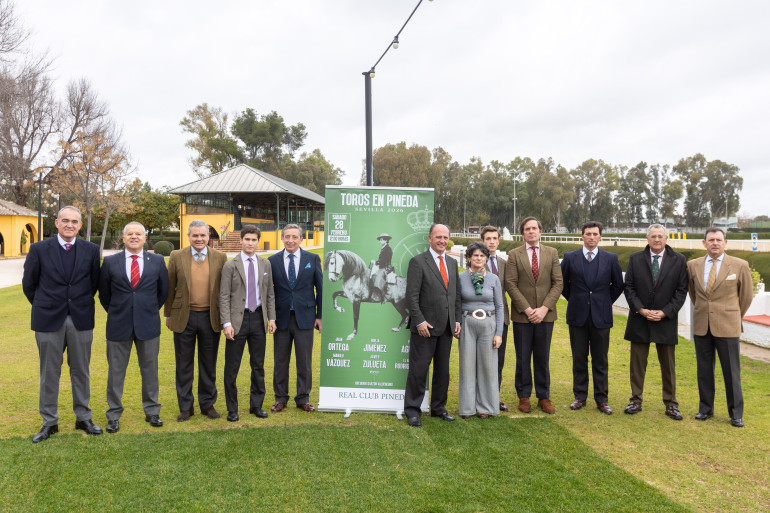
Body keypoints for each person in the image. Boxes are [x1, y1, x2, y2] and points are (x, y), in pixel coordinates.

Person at [22, 206, 102, 443]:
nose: (70, 224)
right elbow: (29, 284)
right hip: (48, 320)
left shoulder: (91, 250)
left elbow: (94, 283)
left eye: (74, 221)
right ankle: (49, 422)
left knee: (81, 371)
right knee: (49, 373)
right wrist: (44, 305)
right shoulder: (39, 249)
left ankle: (83, 417)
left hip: (80, 319)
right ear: (56, 223)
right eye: (65, 220)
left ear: (80, 225)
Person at [99, 221, 169, 433]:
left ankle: (152, 411)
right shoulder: (110, 262)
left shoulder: (157, 261)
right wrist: (118, 311)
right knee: (116, 373)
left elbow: (162, 292)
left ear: (145, 238)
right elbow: (104, 294)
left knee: (150, 371)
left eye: (138, 234)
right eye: (130, 234)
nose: (134, 237)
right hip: (118, 326)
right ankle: (113, 415)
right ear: (123, 238)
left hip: (148, 325)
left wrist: (147, 310)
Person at [688, 227, 753, 427]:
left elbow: (746, 296)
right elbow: (694, 294)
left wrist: (733, 315)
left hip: (728, 326)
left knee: (731, 371)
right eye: (711, 240)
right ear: (704, 243)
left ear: (725, 243)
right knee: (704, 370)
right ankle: (705, 409)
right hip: (702, 326)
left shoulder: (740, 265)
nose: (715, 243)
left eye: (718, 240)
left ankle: (736, 414)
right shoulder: (693, 265)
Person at [623, 224, 688, 420]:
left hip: (665, 320)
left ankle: (671, 404)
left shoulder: (679, 260)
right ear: (647, 238)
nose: (657, 239)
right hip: (640, 319)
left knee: (668, 365)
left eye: (660, 236)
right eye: (653, 236)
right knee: (637, 364)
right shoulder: (635, 259)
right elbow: (629, 287)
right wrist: (641, 309)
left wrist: (665, 312)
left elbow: (681, 290)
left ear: (666, 238)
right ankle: (635, 400)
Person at [164, 220, 227, 421]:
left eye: (203, 235)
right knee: (183, 364)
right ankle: (185, 407)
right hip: (184, 317)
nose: (199, 239)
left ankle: (207, 404)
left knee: (208, 363)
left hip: (211, 317)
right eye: (195, 235)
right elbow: (169, 287)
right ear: (189, 236)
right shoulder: (176, 256)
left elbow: (224, 290)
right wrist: (168, 314)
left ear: (209, 236)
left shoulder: (220, 257)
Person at [561, 221, 624, 415]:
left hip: (601, 317)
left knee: (600, 359)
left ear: (600, 237)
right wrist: (577, 300)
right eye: (588, 233)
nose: (591, 237)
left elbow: (617, 286)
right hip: (577, 316)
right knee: (579, 358)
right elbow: (563, 285)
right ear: (582, 236)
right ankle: (580, 396)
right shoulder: (570, 258)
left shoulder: (610, 258)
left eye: (595, 234)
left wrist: (603, 302)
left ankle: (602, 399)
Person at [403, 223, 462, 427]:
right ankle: (412, 410)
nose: (442, 241)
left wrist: (457, 321)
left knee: (443, 372)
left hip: (446, 328)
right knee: (418, 371)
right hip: (424, 328)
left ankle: (438, 408)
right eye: (438, 237)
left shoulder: (452, 264)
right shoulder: (418, 262)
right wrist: (419, 320)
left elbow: (455, 296)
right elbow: (411, 297)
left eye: (445, 237)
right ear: (430, 238)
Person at [505, 217, 563, 414]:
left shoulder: (552, 253)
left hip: (545, 316)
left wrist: (544, 308)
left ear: (540, 231)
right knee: (522, 358)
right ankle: (523, 396)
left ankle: (543, 397)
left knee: (542, 357)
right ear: (522, 233)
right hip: (523, 316)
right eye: (527, 229)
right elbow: (510, 283)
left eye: (534, 228)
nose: (531, 231)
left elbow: (558, 283)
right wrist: (528, 309)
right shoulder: (514, 254)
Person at [220, 225, 277, 421]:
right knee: (232, 367)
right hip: (238, 321)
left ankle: (256, 405)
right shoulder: (230, 265)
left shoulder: (265, 264)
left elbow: (270, 293)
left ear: (257, 242)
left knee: (258, 366)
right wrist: (226, 323)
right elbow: (224, 296)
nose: (250, 243)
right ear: (241, 241)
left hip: (259, 319)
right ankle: (232, 409)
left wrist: (271, 318)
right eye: (247, 239)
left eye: (254, 240)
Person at [268, 224, 322, 413]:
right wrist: (270, 317)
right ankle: (280, 398)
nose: (290, 240)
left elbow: (320, 289)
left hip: (305, 318)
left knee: (304, 361)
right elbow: (268, 292)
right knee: (280, 361)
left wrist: (320, 316)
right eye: (287, 236)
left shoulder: (312, 259)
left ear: (301, 239)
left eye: (295, 237)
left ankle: (303, 398)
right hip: (281, 319)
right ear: (282, 238)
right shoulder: (272, 261)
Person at [458, 242, 504, 419]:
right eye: (475, 255)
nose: (478, 258)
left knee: (488, 366)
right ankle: (467, 408)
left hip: (489, 324)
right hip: (467, 322)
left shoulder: (493, 279)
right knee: (467, 365)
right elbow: (456, 302)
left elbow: (500, 306)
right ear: (469, 258)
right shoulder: (460, 278)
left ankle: (485, 407)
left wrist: (498, 333)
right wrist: (457, 324)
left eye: (482, 256)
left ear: (486, 258)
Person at [481, 225, 511, 412]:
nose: (491, 242)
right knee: (481, 360)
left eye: (494, 238)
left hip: (502, 318)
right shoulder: (475, 262)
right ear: (482, 241)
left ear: (499, 241)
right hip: (481, 318)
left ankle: (494, 397)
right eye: (488, 238)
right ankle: (479, 398)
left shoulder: (503, 264)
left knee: (498, 360)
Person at [371, 233, 393, 302]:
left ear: (386, 240)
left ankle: (380, 295)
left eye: (381, 240)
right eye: (380, 240)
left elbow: (384, 261)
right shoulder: (383, 249)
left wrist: (375, 262)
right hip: (382, 266)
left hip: (386, 267)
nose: (380, 241)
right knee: (371, 274)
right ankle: (373, 291)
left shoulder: (388, 249)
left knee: (378, 275)